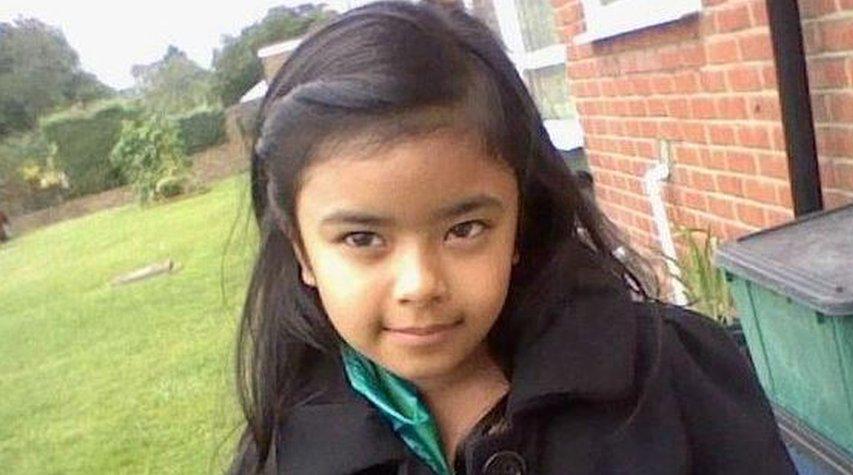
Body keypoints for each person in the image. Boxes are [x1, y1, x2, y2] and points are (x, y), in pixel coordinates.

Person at [230, 2, 795, 474]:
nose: (420, 284)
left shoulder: (671, 379)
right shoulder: (282, 455)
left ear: (518, 223)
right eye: (361, 239)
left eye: (465, 229)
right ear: (303, 250)